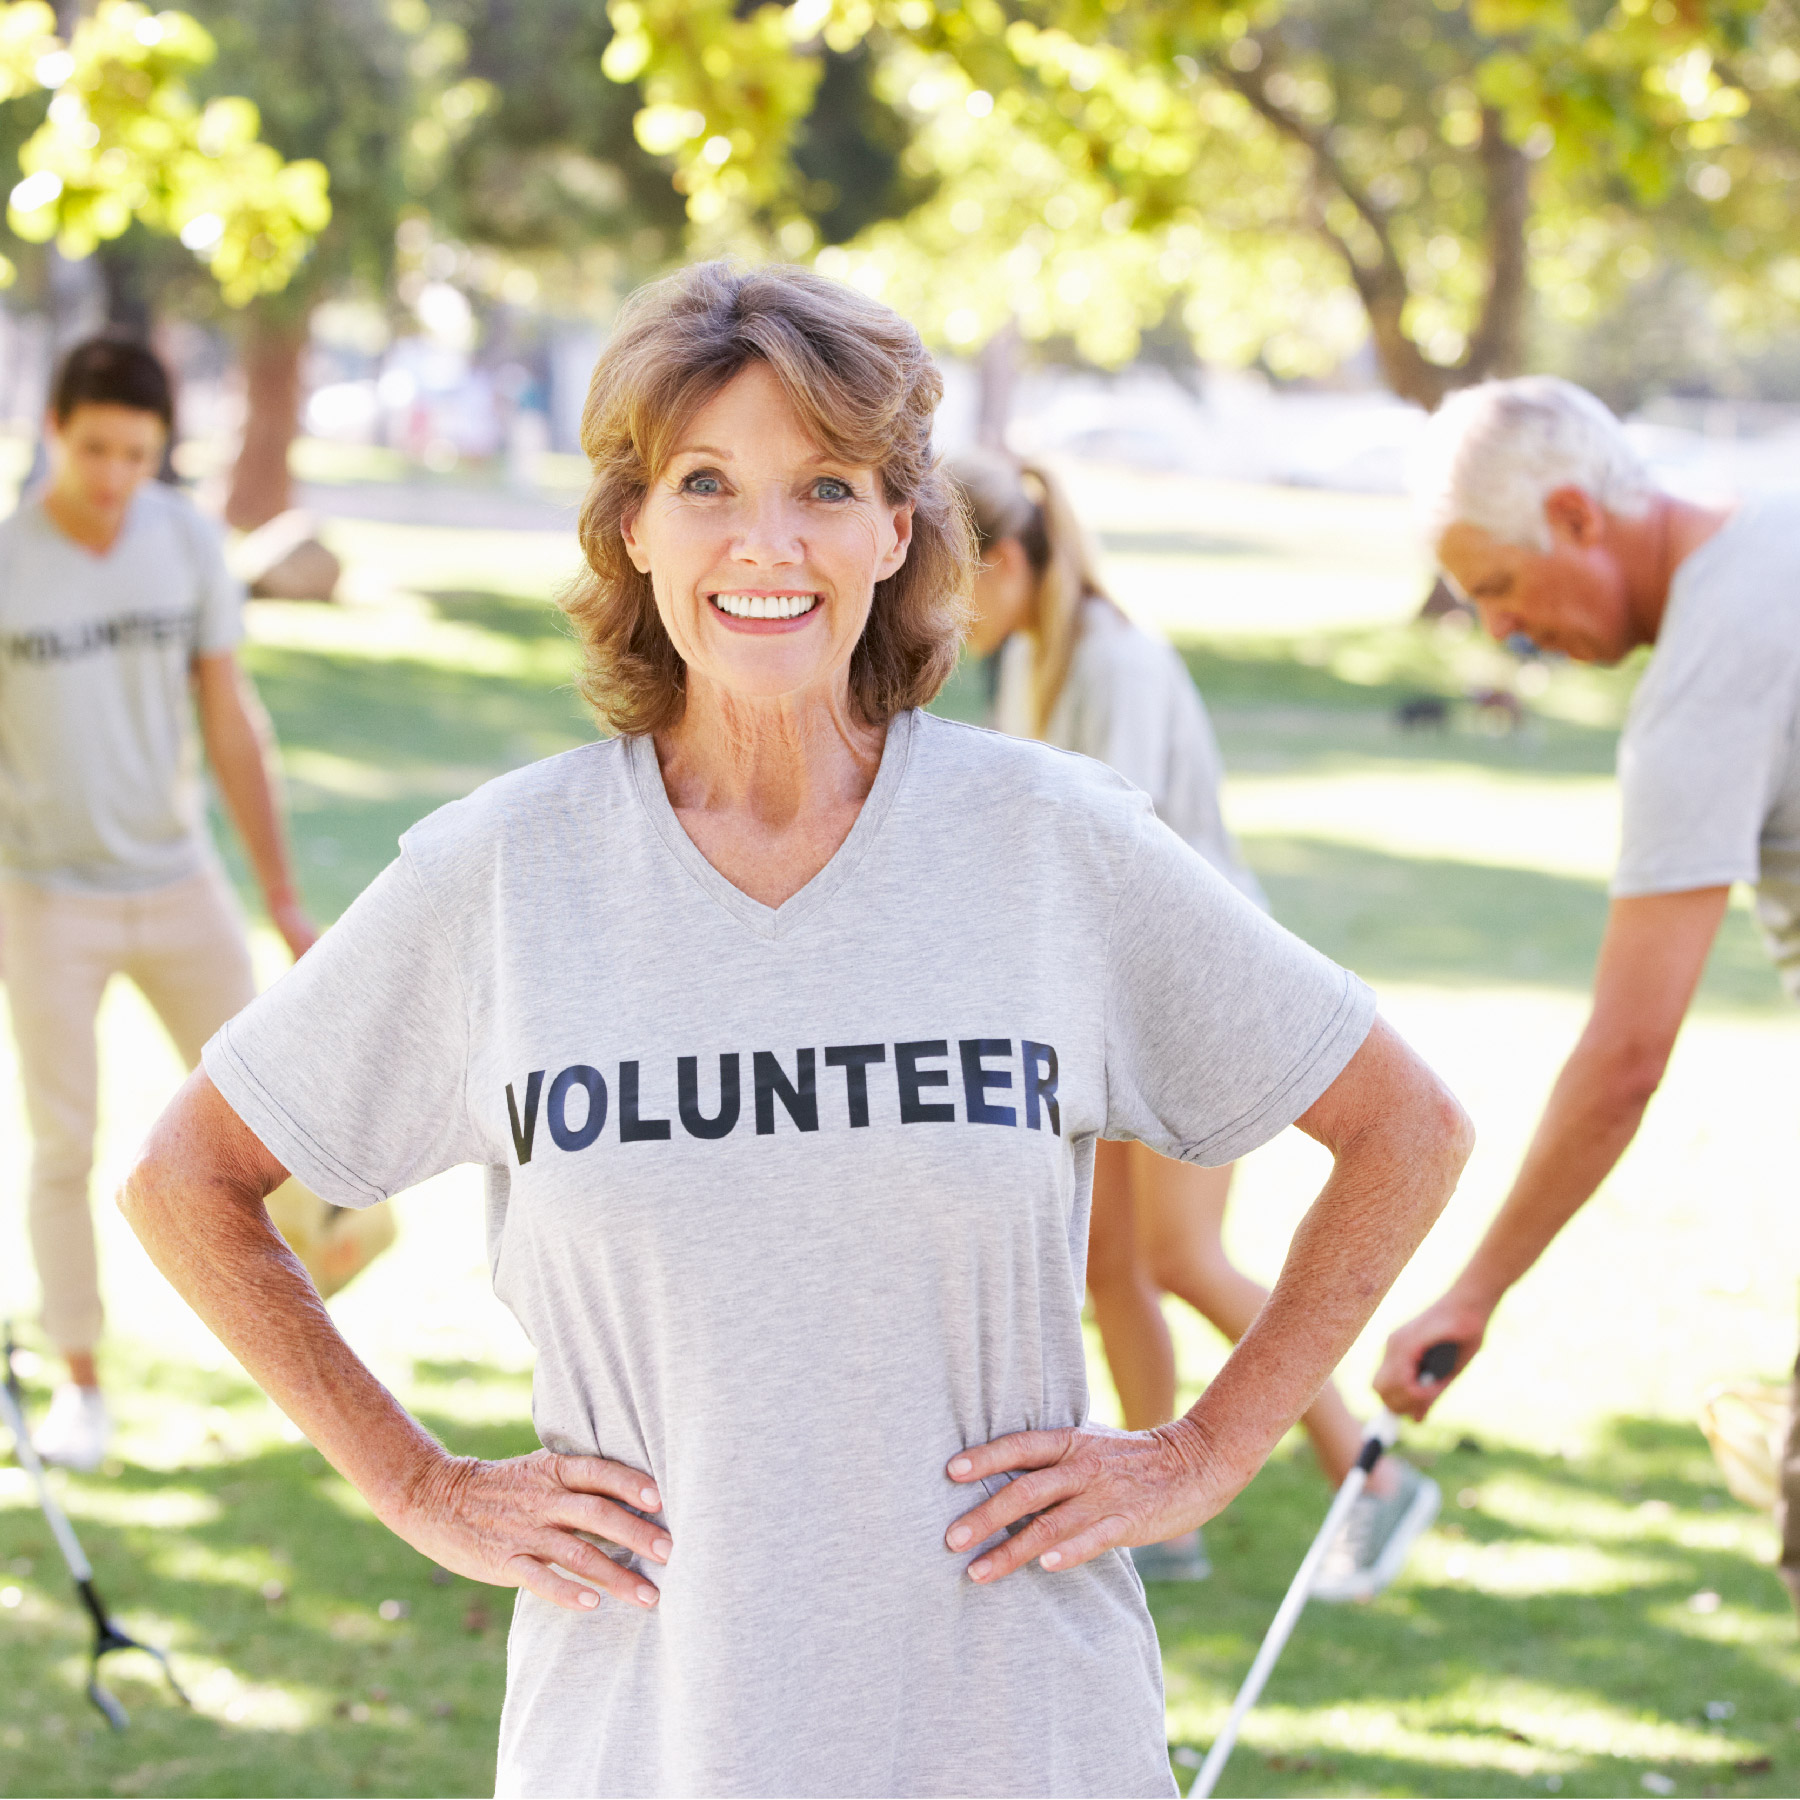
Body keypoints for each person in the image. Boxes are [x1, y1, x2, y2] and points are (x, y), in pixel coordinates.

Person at [121, 262, 1471, 1798]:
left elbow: (1405, 1127)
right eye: (707, 483)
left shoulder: (1047, 841)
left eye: (825, 485)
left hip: (1015, 1734)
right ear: (634, 527)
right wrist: (418, 1485)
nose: (767, 542)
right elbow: (186, 1181)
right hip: (642, 1740)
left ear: (899, 530)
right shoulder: (506, 874)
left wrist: (1205, 1453)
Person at [951, 450, 1442, 1600]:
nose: (929, 609)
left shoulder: (1111, 661)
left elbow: (1103, 867)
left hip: (1184, 1003)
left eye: (944, 578)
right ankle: (1156, 1517)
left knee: (1181, 1254)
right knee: (1106, 1261)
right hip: (1094, 1008)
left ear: (1009, 561)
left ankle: (1369, 1475)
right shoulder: (1031, 661)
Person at [1373, 374, 1800, 1605]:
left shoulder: (1708, 677)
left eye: (1501, 589)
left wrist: (1474, 1289)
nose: (1504, 635)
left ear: (1576, 513)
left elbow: (1626, 1056)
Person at [0, 337, 389, 1472]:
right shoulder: (10, 560)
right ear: (54, 433)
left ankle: (311, 1365)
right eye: (94, 450)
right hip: (44, 895)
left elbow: (231, 720)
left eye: (137, 453)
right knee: (64, 1141)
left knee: (278, 1119)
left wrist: (277, 890)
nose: (115, 475)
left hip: (178, 883)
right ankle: (81, 1385)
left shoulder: (184, 546)